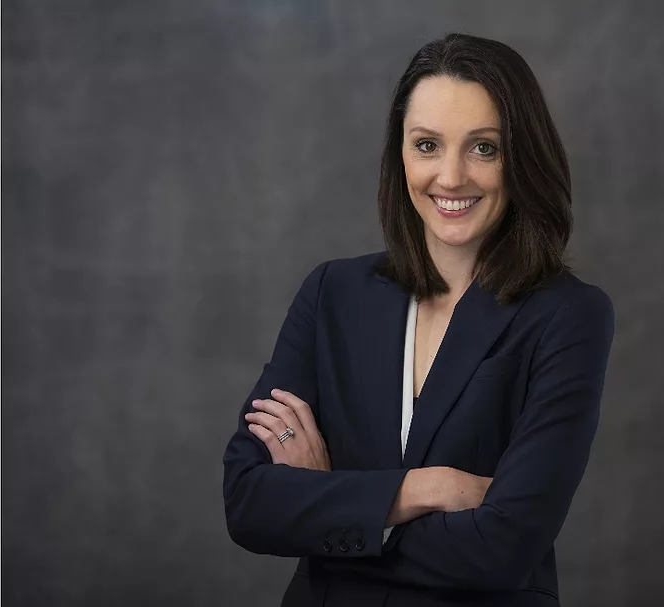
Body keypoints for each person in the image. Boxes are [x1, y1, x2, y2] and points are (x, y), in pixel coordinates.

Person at [222, 32, 614, 607]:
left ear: (521, 156)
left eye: (484, 148)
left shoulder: (567, 315)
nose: (451, 177)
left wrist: (331, 504)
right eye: (427, 145)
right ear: (400, 154)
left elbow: (503, 549)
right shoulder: (333, 293)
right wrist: (419, 491)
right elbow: (249, 501)